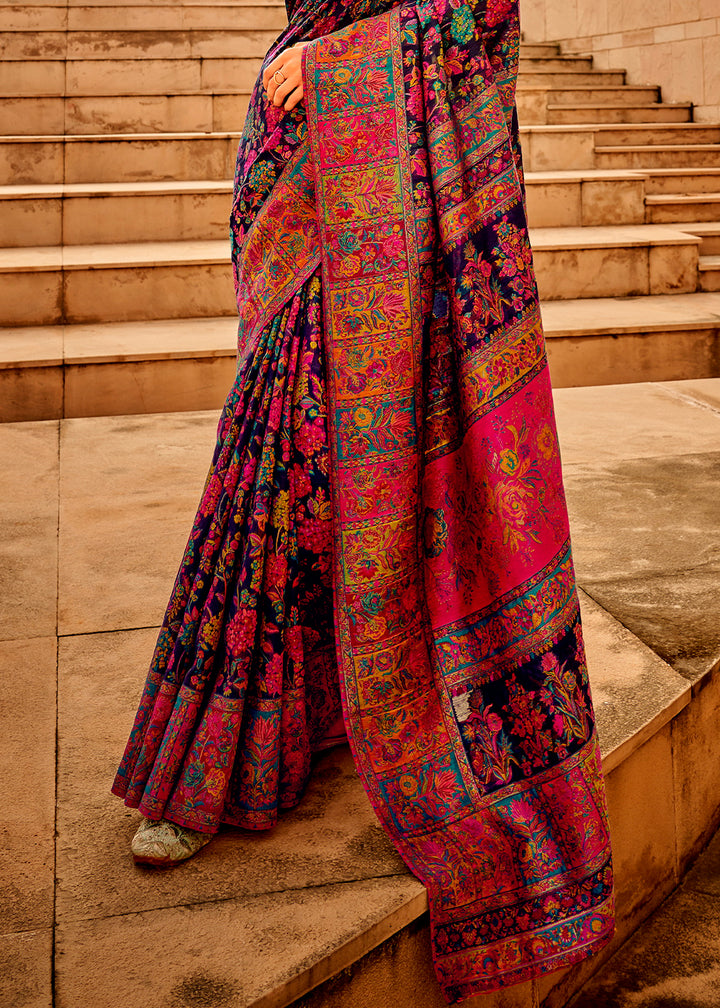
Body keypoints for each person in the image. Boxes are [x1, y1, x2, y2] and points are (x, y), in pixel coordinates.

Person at [112, 0, 615, 999]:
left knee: (297, 457)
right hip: (302, 164)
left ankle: (225, 759)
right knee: (286, 456)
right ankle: (248, 736)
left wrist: (349, 61)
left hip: (374, 151)